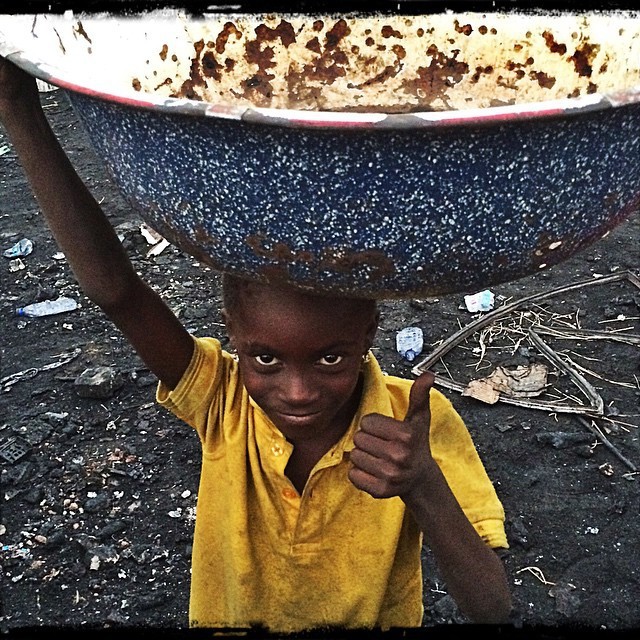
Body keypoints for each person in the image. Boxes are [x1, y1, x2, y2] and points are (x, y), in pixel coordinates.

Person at [0, 56, 512, 632]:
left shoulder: (413, 425)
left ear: (369, 334)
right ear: (233, 337)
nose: (296, 392)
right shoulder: (221, 399)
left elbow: (491, 606)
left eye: (331, 358)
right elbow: (118, 292)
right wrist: (18, 109)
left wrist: (422, 484)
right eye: (265, 358)